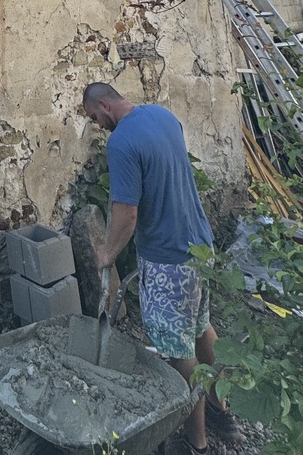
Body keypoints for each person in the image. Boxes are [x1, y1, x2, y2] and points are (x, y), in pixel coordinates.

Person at [82, 83, 242, 455]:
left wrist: (107, 252)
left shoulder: (121, 143)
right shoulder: (162, 116)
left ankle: (195, 443)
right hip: (200, 246)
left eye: (94, 117)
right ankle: (221, 409)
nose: (98, 125)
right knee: (201, 327)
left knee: (178, 352)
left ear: (104, 104)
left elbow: (127, 214)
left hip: (168, 261)